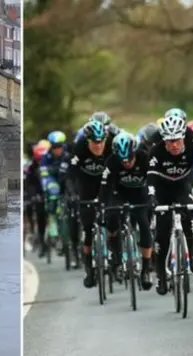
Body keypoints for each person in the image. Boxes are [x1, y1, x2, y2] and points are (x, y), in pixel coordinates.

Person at [148, 113, 193, 295]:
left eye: (178, 140)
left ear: (183, 138)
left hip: (182, 187)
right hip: (163, 191)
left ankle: (192, 254)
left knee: (188, 214)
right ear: (164, 141)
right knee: (162, 234)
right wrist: (152, 197)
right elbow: (151, 178)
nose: (175, 145)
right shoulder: (156, 152)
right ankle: (162, 276)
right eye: (170, 142)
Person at [99, 131, 153, 289]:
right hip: (119, 194)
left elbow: (152, 179)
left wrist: (153, 198)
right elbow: (105, 186)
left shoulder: (145, 158)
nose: (127, 163)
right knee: (112, 218)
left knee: (144, 224)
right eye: (123, 160)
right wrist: (102, 205)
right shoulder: (111, 162)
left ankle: (146, 269)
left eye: (130, 158)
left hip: (140, 193)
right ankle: (116, 257)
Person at [67, 120, 114, 288]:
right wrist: (72, 194)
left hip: (106, 186)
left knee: (113, 220)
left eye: (101, 141)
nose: (98, 146)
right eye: (94, 142)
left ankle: (115, 255)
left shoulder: (110, 148)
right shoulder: (80, 147)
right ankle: (89, 269)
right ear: (87, 140)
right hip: (86, 187)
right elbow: (71, 174)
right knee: (87, 230)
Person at [39, 131, 73, 260]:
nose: (56, 149)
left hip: (65, 181)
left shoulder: (68, 155)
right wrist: (45, 186)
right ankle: (53, 220)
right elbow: (43, 174)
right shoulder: (46, 157)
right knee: (52, 193)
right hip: (53, 181)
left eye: (59, 146)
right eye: (54, 147)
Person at [24, 142, 50, 258]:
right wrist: (34, 195)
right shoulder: (31, 167)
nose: (41, 162)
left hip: (52, 192)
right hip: (39, 195)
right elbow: (30, 184)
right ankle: (42, 243)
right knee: (40, 219)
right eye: (39, 159)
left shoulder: (52, 162)